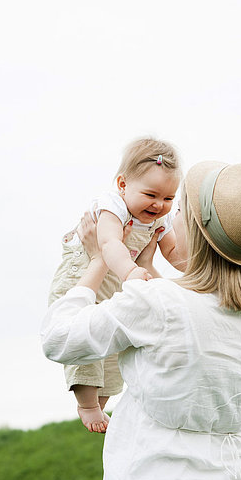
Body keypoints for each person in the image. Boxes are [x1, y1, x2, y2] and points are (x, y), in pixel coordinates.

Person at [41, 160, 241, 480]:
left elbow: (59, 338)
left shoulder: (158, 303)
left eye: (179, 208)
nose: (170, 216)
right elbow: (182, 318)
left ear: (196, 231)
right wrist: (147, 269)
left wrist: (98, 259)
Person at [48, 137, 183, 433]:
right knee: (85, 338)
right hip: (83, 276)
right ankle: (87, 404)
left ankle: (102, 400)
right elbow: (109, 243)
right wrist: (131, 271)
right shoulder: (112, 206)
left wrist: (198, 273)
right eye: (151, 194)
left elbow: (173, 253)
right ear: (123, 184)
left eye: (169, 198)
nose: (159, 204)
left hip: (118, 280)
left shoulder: (161, 218)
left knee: (113, 348)